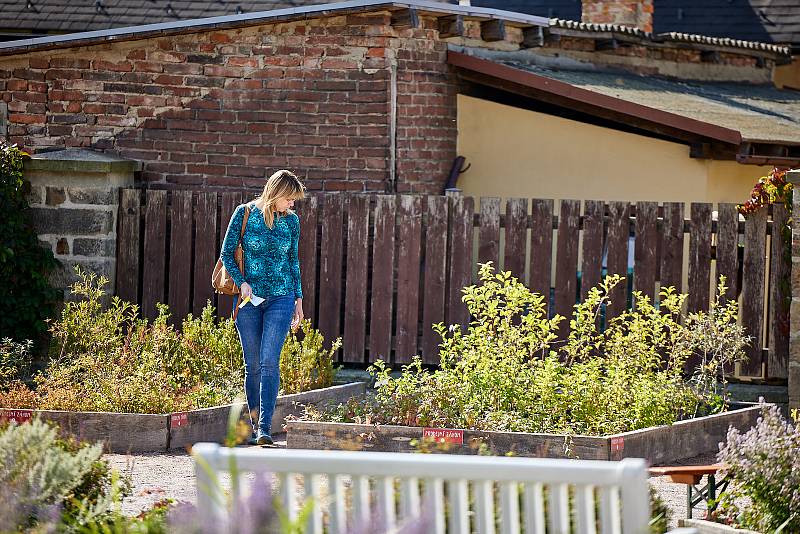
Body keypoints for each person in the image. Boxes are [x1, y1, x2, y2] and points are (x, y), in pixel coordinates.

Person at [220, 169, 305, 446]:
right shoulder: (245, 213)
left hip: (281, 298)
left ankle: (264, 429)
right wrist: (242, 282)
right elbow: (226, 253)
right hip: (248, 301)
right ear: (277, 193)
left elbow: (293, 261)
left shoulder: (291, 222)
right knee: (253, 365)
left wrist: (298, 300)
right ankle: (255, 422)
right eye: (290, 199)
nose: (292, 205)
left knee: (270, 362)